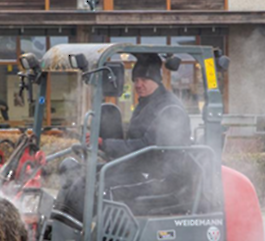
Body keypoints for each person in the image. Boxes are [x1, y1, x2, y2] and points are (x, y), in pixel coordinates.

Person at [59, 54, 192, 219]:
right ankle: (67, 224)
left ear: (156, 80)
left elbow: (146, 147)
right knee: (86, 176)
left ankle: (101, 239)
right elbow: (133, 141)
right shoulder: (147, 103)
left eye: (144, 79)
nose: (138, 84)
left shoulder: (169, 109)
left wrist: (106, 143)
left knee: (105, 188)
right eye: (136, 80)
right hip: (141, 168)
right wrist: (101, 141)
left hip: (163, 177)